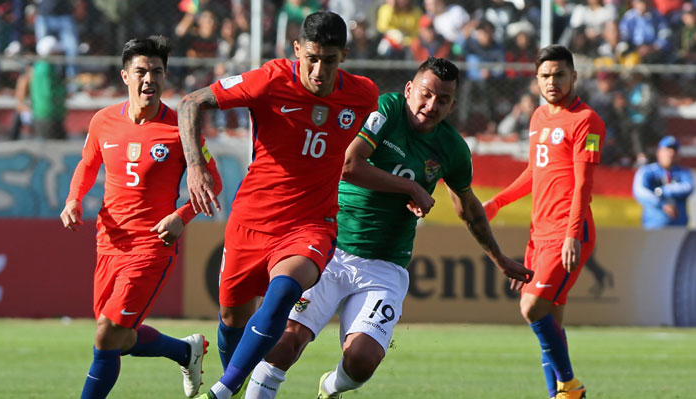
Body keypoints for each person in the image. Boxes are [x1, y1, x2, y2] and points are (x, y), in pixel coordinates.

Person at [243, 57, 534, 399]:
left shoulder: (453, 148)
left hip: (384, 266)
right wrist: (408, 187)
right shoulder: (388, 108)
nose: (431, 105)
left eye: (442, 100)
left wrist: (499, 258)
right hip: (328, 247)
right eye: (425, 94)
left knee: (362, 361)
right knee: (286, 341)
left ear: (452, 105)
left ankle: (330, 387)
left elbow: (467, 208)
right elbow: (349, 164)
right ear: (409, 89)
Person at [177, 11, 379, 399]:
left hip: (311, 224)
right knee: (232, 319)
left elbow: (374, 148)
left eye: (330, 60)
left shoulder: (364, 94)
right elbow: (191, 102)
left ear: (345, 56)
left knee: (285, 290)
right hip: (251, 220)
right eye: (312, 58)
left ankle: (223, 390)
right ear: (297, 50)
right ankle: (232, 384)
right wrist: (195, 166)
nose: (320, 70)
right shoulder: (269, 80)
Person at [60, 35, 222, 399]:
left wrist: (182, 216)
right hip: (109, 240)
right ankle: (186, 351)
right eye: (141, 72)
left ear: (165, 76)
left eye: (157, 71)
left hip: (152, 244)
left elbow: (213, 181)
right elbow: (87, 166)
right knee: (116, 335)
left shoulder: (182, 129)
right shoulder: (103, 121)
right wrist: (73, 200)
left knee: (106, 334)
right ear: (125, 76)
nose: (149, 79)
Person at [483, 44, 606, 399]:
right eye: (545, 76)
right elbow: (535, 172)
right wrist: (497, 202)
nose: (552, 82)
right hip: (539, 234)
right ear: (536, 79)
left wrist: (572, 235)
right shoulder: (538, 117)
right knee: (551, 322)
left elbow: (583, 183)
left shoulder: (587, 121)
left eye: (559, 75)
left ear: (573, 76)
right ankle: (556, 395)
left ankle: (570, 386)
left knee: (531, 307)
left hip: (570, 231)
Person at [633, 135, 695, 229]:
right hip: (654, 226)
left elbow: (688, 187)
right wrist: (662, 204)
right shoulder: (647, 171)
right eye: (667, 150)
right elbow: (640, 192)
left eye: (674, 150)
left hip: (679, 227)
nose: (671, 153)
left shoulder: (684, 172)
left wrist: (663, 190)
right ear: (659, 152)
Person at [14, 35, 67, 140]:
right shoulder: (45, 68)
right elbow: (48, 93)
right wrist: (64, 90)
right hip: (48, 114)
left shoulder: (41, 66)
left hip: (47, 113)